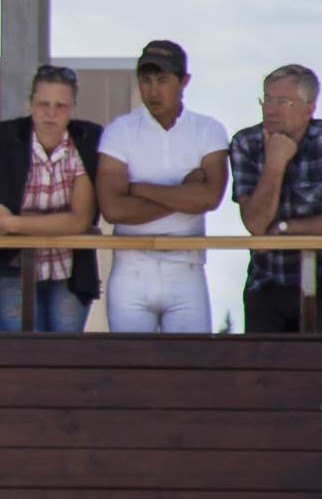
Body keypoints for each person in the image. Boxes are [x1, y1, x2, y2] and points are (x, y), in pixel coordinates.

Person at [95, 40, 231, 334]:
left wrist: (138, 189)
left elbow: (210, 198)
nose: (153, 90)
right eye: (146, 80)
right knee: (131, 370)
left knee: (192, 370)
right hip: (131, 267)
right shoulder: (119, 131)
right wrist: (183, 193)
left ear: (184, 81)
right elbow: (113, 209)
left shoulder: (208, 129)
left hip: (187, 266)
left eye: (163, 80)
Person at [0, 65, 101, 333]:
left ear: (73, 107)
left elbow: (79, 221)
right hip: (12, 264)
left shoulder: (86, 142)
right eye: (43, 104)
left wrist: (14, 224)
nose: (50, 113)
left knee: (64, 358)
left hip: (69, 269)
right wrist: (57, 221)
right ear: (30, 103)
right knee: (20, 358)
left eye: (60, 105)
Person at [230, 64, 322, 334]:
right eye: (267, 99)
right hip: (267, 279)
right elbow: (255, 225)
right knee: (263, 373)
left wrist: (284, 229)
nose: (271, 109)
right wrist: (275, 163)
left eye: (283, 101)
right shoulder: (246, 143)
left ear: (309, 107)